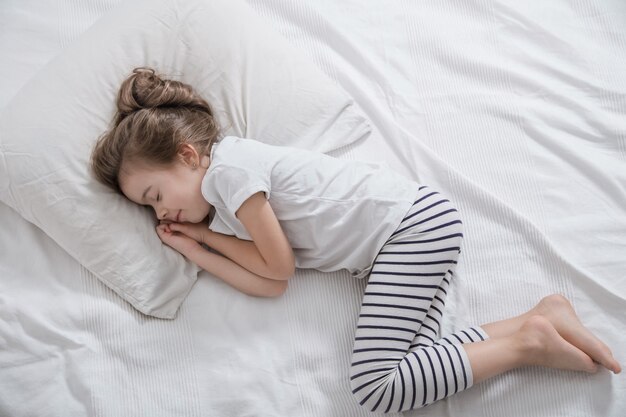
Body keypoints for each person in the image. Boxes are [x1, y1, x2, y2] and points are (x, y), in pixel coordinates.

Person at [90, 67, 621, 413]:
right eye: (150, 208)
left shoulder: (230, 171)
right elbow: (270, 287)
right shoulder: (226, 212)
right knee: (412, 364)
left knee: (377, 388)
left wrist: (205, 238)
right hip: (400, 239)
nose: (160, 211)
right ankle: (542, 319)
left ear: (187, 155)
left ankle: (528, 343)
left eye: (156, 194)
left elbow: (278, 267)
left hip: (411, 227)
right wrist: (195, 249)